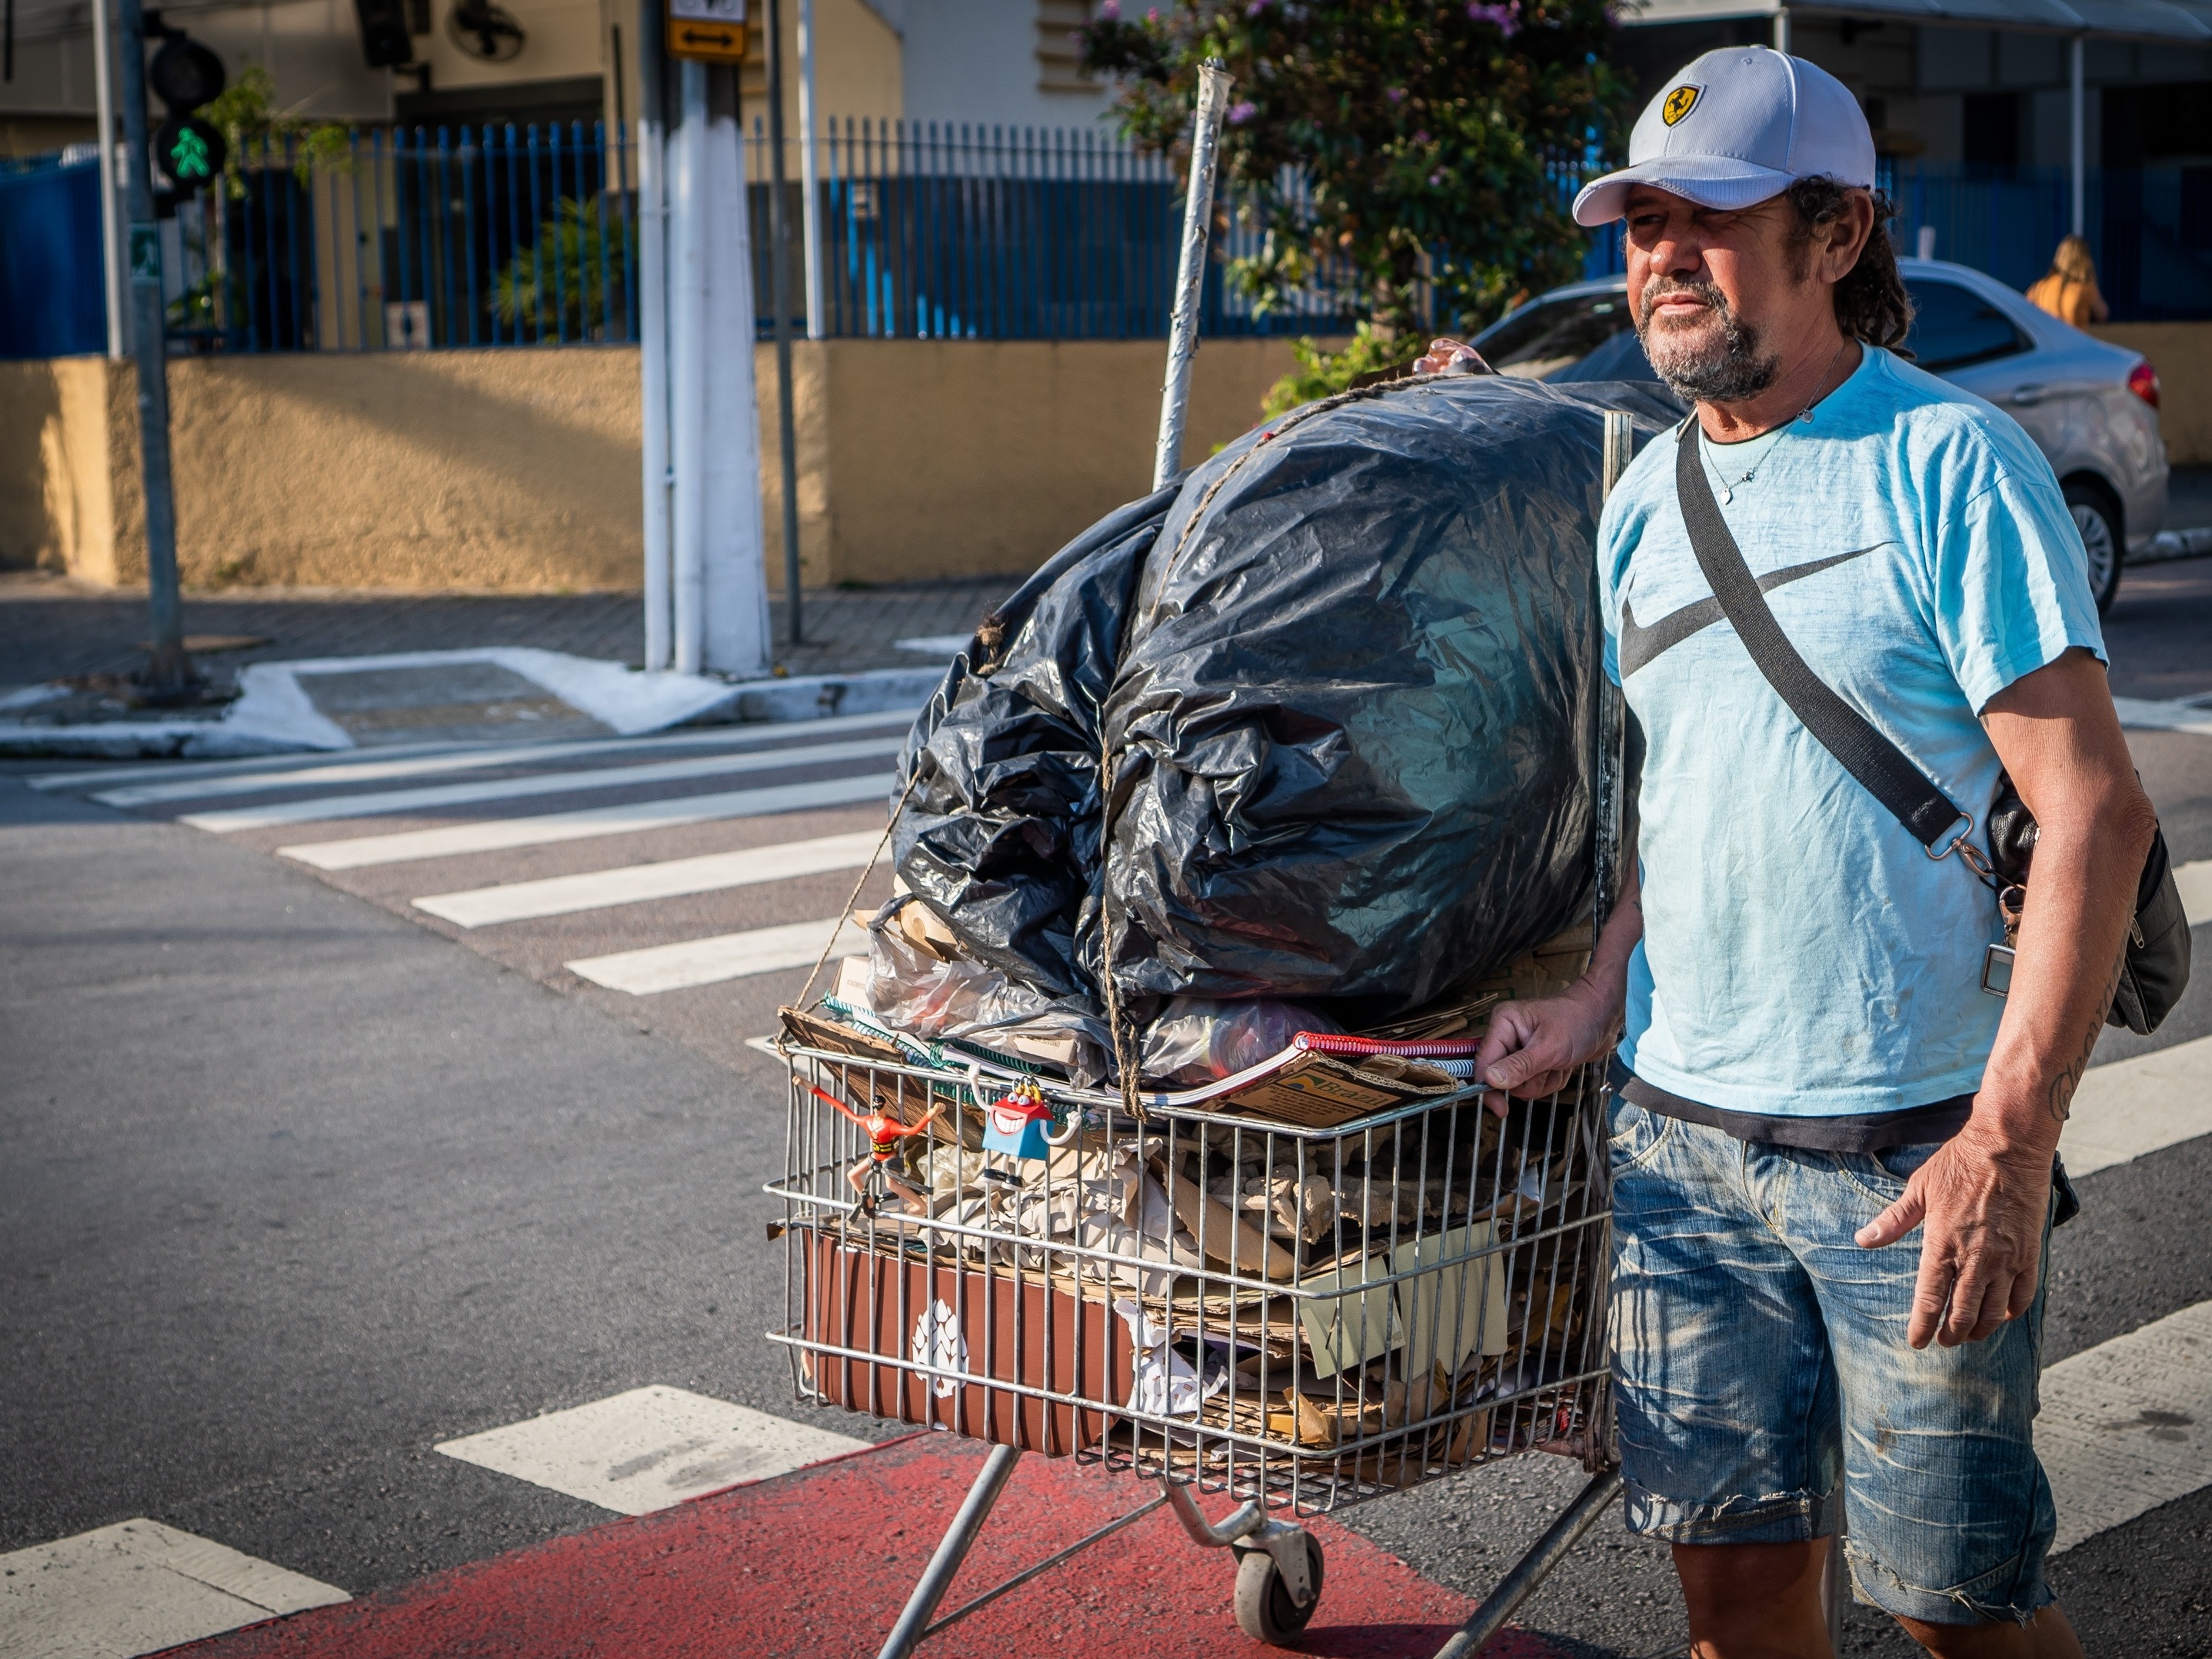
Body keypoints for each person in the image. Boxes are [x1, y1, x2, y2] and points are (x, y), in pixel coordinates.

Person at [1432, 46, 2154, 1659]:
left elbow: (2094, 808)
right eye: (1640, 227)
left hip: (1904, 1155)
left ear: (1836, 236)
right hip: (1683, 1147)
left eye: (1714, 220)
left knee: (1954, 1604)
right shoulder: (1645, 494)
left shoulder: (1949, 465)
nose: (1662, 260)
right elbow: (1677, 794)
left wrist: (2008, 1147)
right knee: (1734, 1591)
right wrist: (1595, 998)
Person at [2026, 235, 2110, 327]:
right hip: (2073, 340)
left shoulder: (2040, 286)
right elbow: (2103, 314)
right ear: (2085, 260)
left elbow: (2025, 310)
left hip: (2046, 340)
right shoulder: (2085, 288)